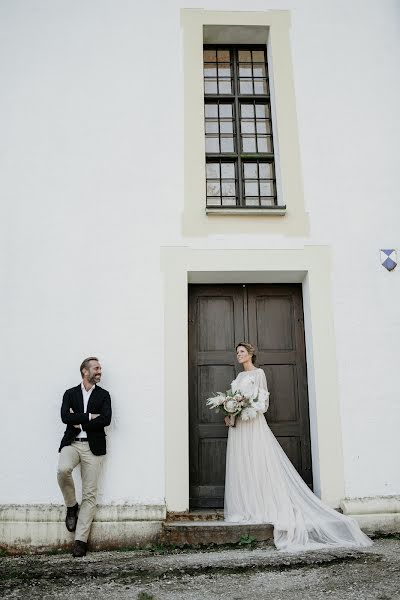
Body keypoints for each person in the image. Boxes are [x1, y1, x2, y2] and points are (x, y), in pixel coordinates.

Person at [223, 342, 372, 552]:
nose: (239, 355)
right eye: (237, 352)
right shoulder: (238, 378)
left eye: (242, 352)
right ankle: (244, 506)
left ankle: (261, 504)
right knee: (242, 465)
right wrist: (231, 414)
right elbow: (231, 401)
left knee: (258, 461)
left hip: (254, 425)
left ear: (250, 354)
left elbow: (263, 403)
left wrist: (246, 406)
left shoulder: (258, 374)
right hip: (238, 427)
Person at [57, 357, 112, 557]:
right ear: (84, 371)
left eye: (100, 368)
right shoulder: (70, 394)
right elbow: (65, 417)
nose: (99, 371)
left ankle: (80, 541)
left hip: (93, 447)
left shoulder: (104, 395)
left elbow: (106, 419)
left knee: (90, 494)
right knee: (62, 470)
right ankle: (72, 506)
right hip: (72, 443)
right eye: (96, 368)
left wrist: (79, 421)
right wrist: (90, 417)